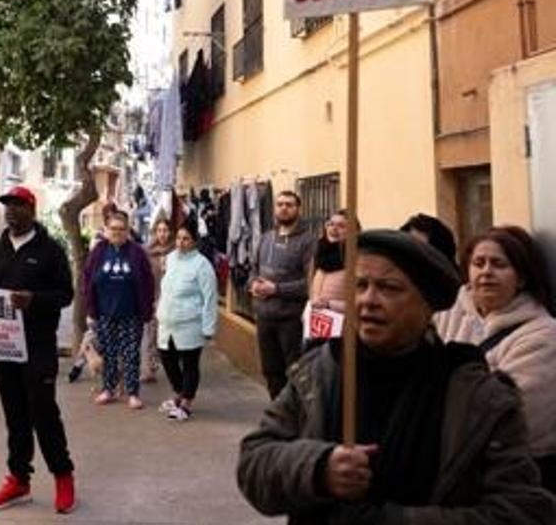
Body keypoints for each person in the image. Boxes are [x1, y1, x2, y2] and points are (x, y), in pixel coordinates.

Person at [237, 229, 556, 524]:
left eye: (389, 288)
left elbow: (524, 511)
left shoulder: (477, 398)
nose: (368, 300)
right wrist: (318, 468)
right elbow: (254, 463)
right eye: (360, 285)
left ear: (428, 305)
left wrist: (399, 521)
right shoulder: (319, 373)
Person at [434, 226, 556, 491]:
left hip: (510, 478)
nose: (486, 272)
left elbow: (511, 415)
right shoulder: (446, 312)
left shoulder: (543, 336)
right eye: (479, 263)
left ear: (521, 278)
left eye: (498, 264)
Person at [0, 185, 76, 514]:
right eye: (6, 205)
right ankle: (19, 480)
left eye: (17, 205)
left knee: (43, 412)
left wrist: (34, 300)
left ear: (31, 210)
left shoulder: (50, 250)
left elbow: (66, 294)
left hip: (38, 346)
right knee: (15, 415)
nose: (9, 210)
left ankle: (63, 475)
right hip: (5, 347)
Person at [83, 210, 154, 409]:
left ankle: (133, 393)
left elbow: (147, 283)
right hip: (106, 313)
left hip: (132, 313)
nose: (117, 232)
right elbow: (88, 280)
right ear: (106, 230)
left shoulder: (137, 252)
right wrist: (91, 309)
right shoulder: (98, 251)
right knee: (109, 354)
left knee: (131, 354)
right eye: (113, 228)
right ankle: (108, 389)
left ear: (127, 231)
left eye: (122, 229)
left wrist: (147, 310)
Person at [249, 190, 314, 399]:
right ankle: (277, 414)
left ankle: (295, 418)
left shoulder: (308, 241)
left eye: (289, 204)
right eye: (280, 204)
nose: (283, 208)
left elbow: (311, 284)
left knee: (294, 371)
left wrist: (276, 289)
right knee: (270, 371)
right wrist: (253, 285)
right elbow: (254, 270)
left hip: (291, 320)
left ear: (298, 209)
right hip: (264, 318)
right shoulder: (266, 238)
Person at [156, 224, 218, 422]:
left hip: (190, 324)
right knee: (167, 358)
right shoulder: (171, 258)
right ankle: (179, 393)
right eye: (179, 238)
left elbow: (210, 298)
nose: (181, 243)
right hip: (167, 322)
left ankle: (186, 403)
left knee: (190, 364)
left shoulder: (202, 265)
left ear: (194, 241)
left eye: (186, 239)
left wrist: (209, 327)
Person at [142, 217, 173, 382]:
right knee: (151, 333)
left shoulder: (176, 252)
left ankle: (171, 367)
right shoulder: (148, 252)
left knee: (169, 335)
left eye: (165, 230)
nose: (162, 234)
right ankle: (150, 369)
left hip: (171, 300)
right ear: (155, 232)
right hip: (153, 298)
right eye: (159, 230)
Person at [310, 210, 356, 313]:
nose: (334, 228)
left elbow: (359, 302)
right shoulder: (319, 253)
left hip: (345, 324)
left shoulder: (356, 259)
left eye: (341, 226)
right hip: (319, 321)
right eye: (330, 224)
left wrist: (329, 304)